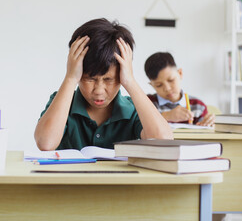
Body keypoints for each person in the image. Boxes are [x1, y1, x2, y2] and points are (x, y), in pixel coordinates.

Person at [34, 18, 173, 151]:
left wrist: (130, 81)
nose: (99, 91)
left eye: (108, 79)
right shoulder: (62, 103)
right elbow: (45, 143)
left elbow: (164, 142)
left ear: (121, 76)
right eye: (90, 79)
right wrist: (70, 78)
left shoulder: (132, 110)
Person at [144, 52, 215, 126]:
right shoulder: (147, 103)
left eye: (171, 80)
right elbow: (139, 125)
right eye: (159, 85)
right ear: (152, 85)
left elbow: (205, 131)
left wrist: (209, 123)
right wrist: (166, 116)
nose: (167, 88)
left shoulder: (198, 106)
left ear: (180, 73)